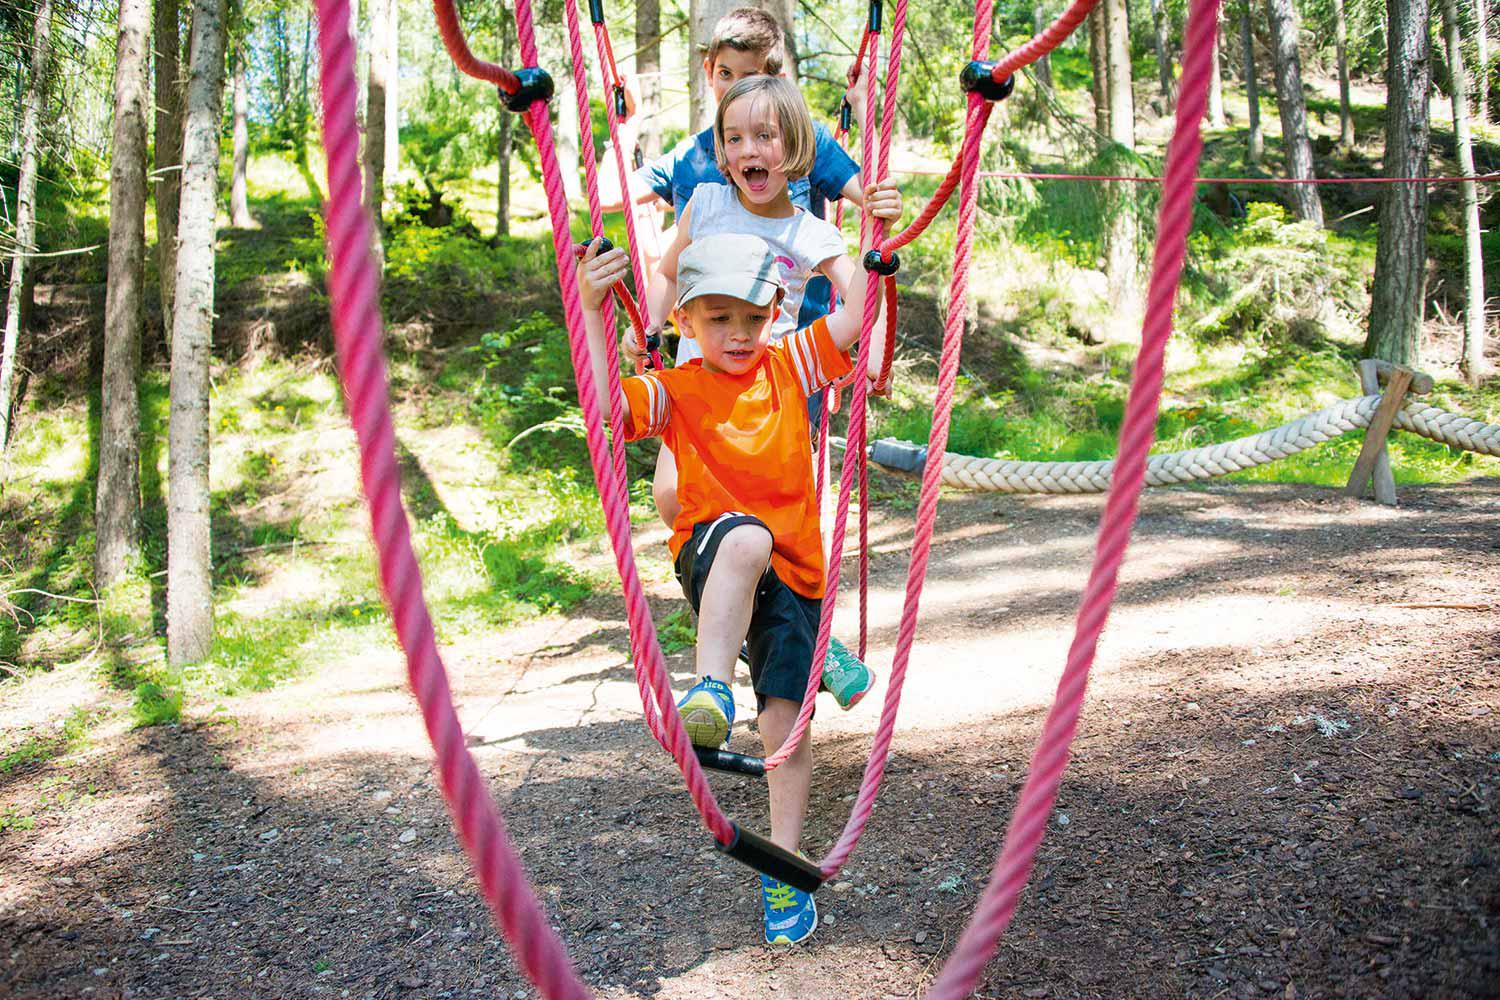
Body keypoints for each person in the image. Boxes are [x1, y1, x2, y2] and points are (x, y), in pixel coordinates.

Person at [575, 230, 890, 945]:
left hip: (797, 572)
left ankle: (781, 862)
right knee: (747, 536)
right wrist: (593, 312)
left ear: (776, 311)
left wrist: (853, 248)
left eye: (753, 316)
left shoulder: (790, 363)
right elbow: (609, 413)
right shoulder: (680, 388)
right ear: (683, 322)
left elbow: (858, 312)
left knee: (785, 724)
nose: (740, 334)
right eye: (719, 318)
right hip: (715, 551)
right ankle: (711, 684)